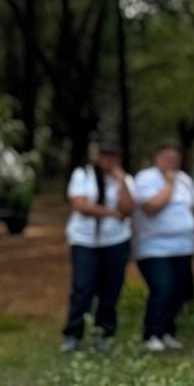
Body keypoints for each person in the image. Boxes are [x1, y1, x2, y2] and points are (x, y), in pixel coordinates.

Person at [62, 142, 134, 352]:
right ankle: (73, 333)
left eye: (112, 156)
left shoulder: (125, 179)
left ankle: (105, 333)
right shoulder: (83, 175)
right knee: (83, 288)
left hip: (115, 240)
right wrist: (111, 213)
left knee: (110, 290)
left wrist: (121, 183)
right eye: (104, 156)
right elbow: (81, 206)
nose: (108, 161)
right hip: (85, 240)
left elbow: (128, 209)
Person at [132, 142, 194, 352]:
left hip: (183, 246)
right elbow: (152, 208)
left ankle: (167, 331)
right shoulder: (145, 178)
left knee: (179, 291)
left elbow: (193, 207)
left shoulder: (185, 179)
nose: (172, 163)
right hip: (154, 247)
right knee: (163, 286)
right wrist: (169, 184)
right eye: (167, 158)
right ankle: (151, 333)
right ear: (156, 158)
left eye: (175, 159)